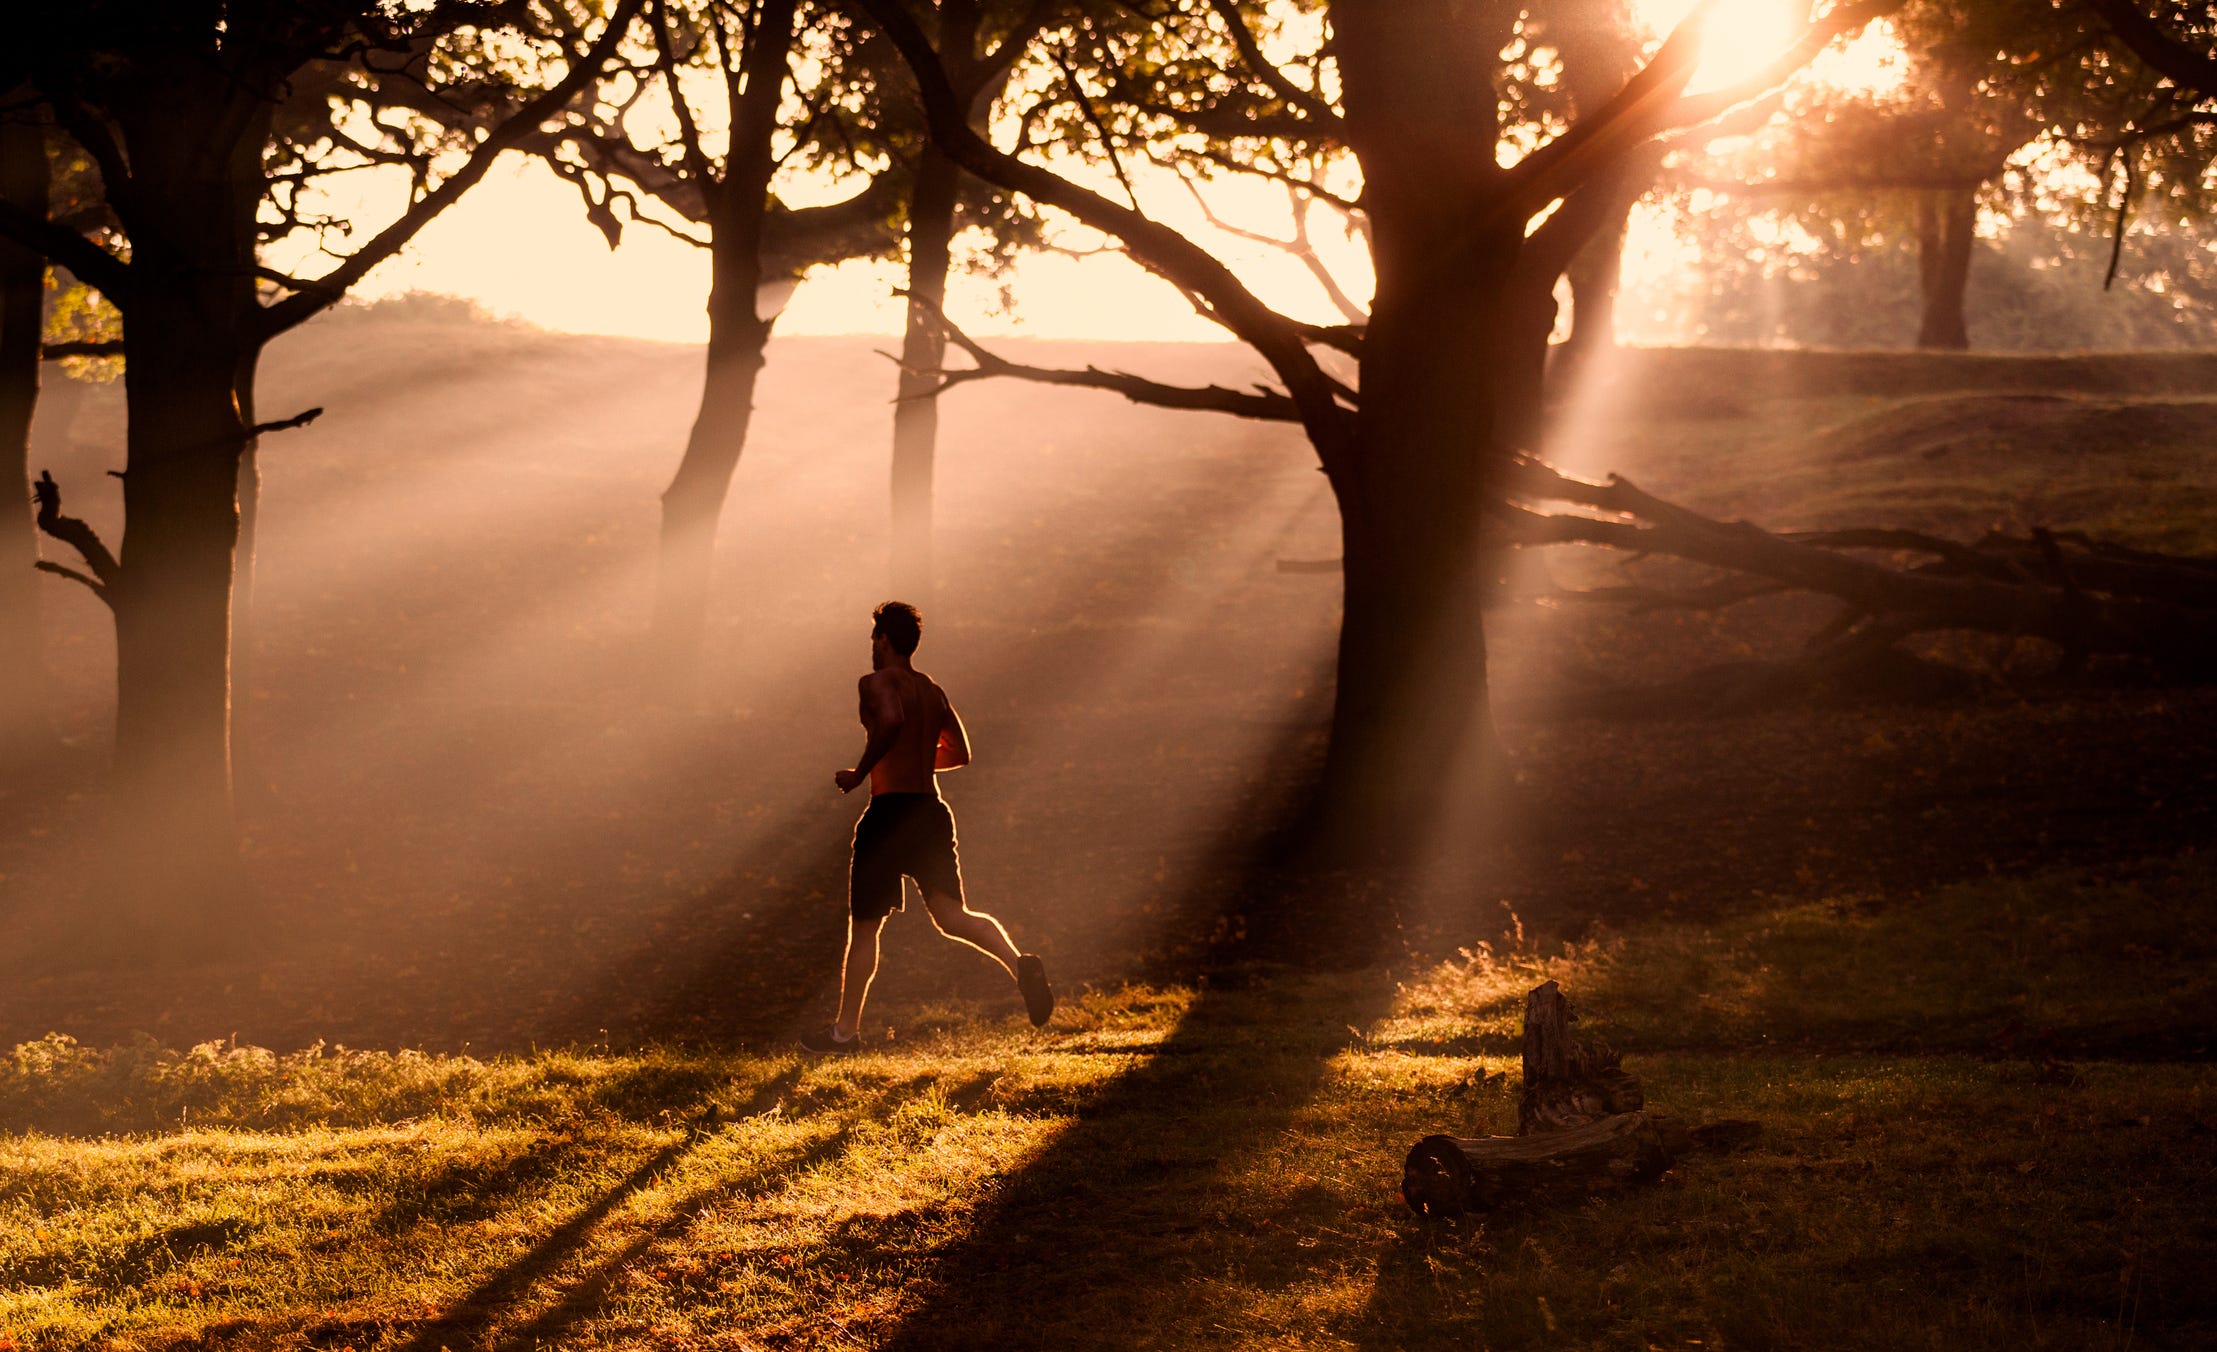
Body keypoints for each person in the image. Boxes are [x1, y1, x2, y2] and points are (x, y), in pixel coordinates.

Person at [803, 601, 1052, 1054]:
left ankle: (844, 1033)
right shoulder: (932, 690)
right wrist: (915, 757)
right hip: (931, 811)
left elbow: (893, 720)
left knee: (864, 927)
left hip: (889, 815)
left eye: (874, 639)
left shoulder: (875, 682)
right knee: (952, 916)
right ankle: (1020, 965)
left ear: (884, 640)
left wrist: (862, 773)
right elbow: (960, 753)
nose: (872, 648)